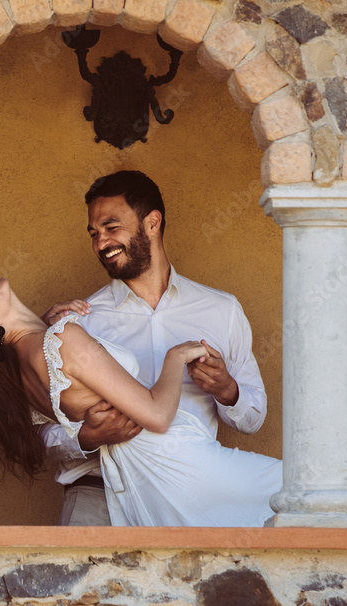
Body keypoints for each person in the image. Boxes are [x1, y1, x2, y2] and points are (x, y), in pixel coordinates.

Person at [0, 276, 281, 527]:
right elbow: (156, 415)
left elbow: (23, 366)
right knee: (305, 492)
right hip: (181, 461)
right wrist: (176, 357)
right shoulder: (63, 340)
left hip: (145, 481)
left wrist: (38, 324)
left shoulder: (22, 366)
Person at [39, 170, 280, 526]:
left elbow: (253, 416)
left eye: (111, 227)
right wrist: (87, 437)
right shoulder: (79, 323)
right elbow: (42, 431)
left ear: (152, 223)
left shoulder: (221, 310)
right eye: (94, 233)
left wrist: (228, 391)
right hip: (99, 497)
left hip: (196, 501)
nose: (101, 243)